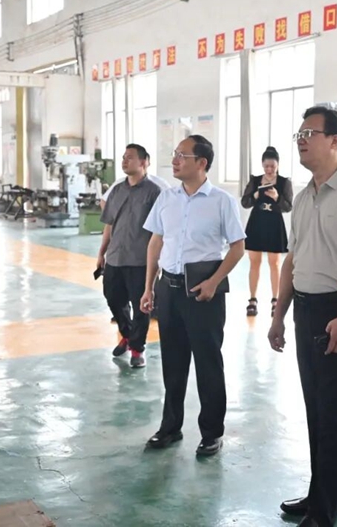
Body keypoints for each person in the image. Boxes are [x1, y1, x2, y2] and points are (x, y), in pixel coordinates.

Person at [267, 106, 337, 527]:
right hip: (307, 310)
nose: (301, 140)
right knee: (316, 408)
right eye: (299, 134)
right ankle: (328, 493)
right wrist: (279, 315)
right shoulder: (301, 198)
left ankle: (323, 511)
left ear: (335, 141)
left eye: (309, 133)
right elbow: (292, 260)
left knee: (334, 412)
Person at [140, 135, 246, 456]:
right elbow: (156, 243)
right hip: (168, 290)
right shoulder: (166, 198)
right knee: (172, 364)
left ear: (202, 163)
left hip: (203, 293)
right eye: (174, 154)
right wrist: (148, 287)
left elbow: (237, 248)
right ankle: (170, 427)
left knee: (208, 363)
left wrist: (214, 281)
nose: (175, 160)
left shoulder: (222, 201)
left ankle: (212, 432)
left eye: (182, 155)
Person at [97, 144, 162, 368]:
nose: (124, 161)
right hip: (115, 257)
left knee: (141, 305)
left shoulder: (154, 192)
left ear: (144, 162)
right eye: (123, 157)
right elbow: (109, 224)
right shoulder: (117, 190)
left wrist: (157, 262)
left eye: (130, 158)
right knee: (113, 299)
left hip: (141, 261)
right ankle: (127, 334)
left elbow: (160, 232)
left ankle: (137, 348)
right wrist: (101, 253)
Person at [241, 146, 293, 317]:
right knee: (254, 262)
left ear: (278, 165)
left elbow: (288, 206)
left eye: (273, 166)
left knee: (275, 264)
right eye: (266, 166)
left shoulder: (284, 182)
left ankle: (275, 300)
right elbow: (245, 203)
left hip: (274, 224)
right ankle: (252, 299)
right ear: (262, 165)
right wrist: (256, 195)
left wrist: (277, 197)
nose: (269, 170)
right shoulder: (255, 180)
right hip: (257, 223)